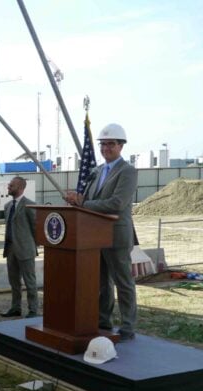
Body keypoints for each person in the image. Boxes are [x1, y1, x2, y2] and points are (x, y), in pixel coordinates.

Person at [65, 123, 137, 341]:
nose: (106, 148)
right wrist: (76, 201)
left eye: (111, 144)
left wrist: (83, 203)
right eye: (103, 144)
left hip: (116, 235)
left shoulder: (128, 171)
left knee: (123, 281)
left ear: (121, 146)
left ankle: (127, 326)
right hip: (94, 236)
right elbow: (90, 200)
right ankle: (103, 321)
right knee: (102, 282)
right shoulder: (96, 171)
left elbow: (117, 203)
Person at [2, 176, 39, 318]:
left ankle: (33, 310)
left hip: (25, 250)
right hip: (10, 249)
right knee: (14, 282)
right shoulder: (7, 206)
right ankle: (15, 307)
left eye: (12, 185)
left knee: (30, 281)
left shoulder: (29, 205)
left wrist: (32, 245)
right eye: (9, 184)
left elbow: (35, 227)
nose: (9, 187)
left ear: (21, 187)